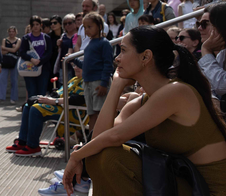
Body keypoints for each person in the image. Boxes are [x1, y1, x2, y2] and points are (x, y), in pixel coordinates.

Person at [62, 26, 226, 196]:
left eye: (123, 51)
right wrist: (116, 86)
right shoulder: (144, 100)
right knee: (100, 155)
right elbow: (99, 140)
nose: (117, 58)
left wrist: (76, 156)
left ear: (146, 57)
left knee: (111, 158)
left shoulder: (176, 91)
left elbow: (114, 137)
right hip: (185, 183)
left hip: (211, 189)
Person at [6, 60, 86, 159]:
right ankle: (23, 141)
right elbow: (57, 93)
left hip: (74, 112)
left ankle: (33, 146)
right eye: (74, 66)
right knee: (28, 105)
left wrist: (53, 101)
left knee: (36, 109)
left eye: (79, 66)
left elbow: (77, 99)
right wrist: (43, 98)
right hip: (62, 107)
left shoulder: (86, 81)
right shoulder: (74, 79)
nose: (75, 68)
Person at [81, 12, 113, 131]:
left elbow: (107, 64)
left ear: (100, 26)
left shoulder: (104, 43)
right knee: (92, 113)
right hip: (88, 82)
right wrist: (73, 61)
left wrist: (104, 83)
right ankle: (92, 139)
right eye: (85, 27)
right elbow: (86, 65)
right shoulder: (89, 44)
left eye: (90, 27)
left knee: (100, 112)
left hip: (98, 83)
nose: (87, 30)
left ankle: (101, 139)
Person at [19, 15, 53, 99]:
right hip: (29, 68)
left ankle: (40, 111)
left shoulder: (46, 37)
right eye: (33, 25)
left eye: (37, 24)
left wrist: (40, 61)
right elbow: (21, 52)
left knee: (42, 93)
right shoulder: (26, 38)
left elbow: (49, 52)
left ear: (41, 25)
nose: (35, 26)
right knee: (32, 93)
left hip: (43, 68)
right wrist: (31, 59)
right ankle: (31, 110)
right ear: (30, 26)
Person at [200, 3, 226, 102]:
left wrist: (206, 50)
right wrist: (213, 98)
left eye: (205, 24)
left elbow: (222, 85)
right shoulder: (222, 54)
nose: (199, 28)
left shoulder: (207, 50)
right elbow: (207, 83)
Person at [0, 26, 21, 104]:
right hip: (6, 61)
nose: (11, 33)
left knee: (14, 80)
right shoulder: (5, 40)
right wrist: (10, 50)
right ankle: (0, 98)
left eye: (13, 31)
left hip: (15, 61)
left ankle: (13, 98)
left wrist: (6, 48)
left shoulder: (18, 40)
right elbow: (2, 52)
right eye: (10, 31)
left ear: (15, 32)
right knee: (2, 79)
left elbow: (15, 50)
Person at [54, 14, 77, 85]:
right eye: (65, 24)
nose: (67, 25)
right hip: (64, 66)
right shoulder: (63, 36)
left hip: (76, 65)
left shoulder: (79, 35)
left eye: (70, 23)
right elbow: (59, 52)